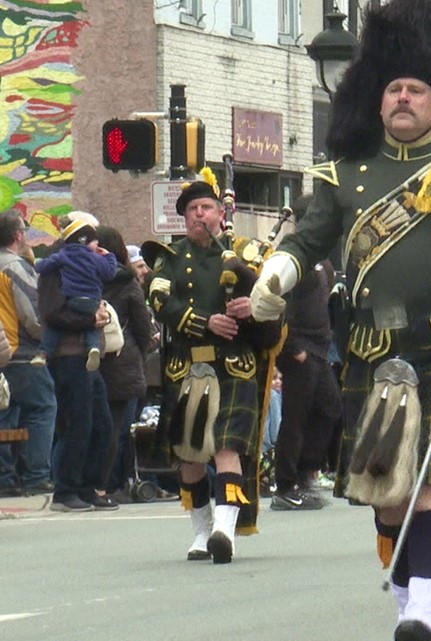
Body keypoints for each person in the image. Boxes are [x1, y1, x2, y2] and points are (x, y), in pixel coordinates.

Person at [248, 2, 431, 638]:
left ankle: (427, 618)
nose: (403, 98)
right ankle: (411, 604)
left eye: (417, 89)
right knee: (390, 496)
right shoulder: (344, 174)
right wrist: (276, 276)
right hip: (373, 350)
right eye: (394, 88)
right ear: (378, 100)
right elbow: (308, 240)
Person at [150, 173, 280, 563]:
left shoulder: (245, 253)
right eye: (191, 210)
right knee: (190, 453)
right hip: (186, 365)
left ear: (220, 213)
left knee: (227, 446)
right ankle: (202, 530)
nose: (198, 215)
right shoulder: (169, 258)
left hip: (233, 366)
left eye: (205, 207)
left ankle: (225, 529)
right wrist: (203, 322)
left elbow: (273, 305)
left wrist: (251, 308)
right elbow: (157, 299)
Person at [38, 211, 118, 512]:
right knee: (79, 422)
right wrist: (90, 319)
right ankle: (66, 490)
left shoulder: (84, 264)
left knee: (102, 424)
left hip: (88, 355)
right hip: (68, 354)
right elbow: (52, 312)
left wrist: (100, 313)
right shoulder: (57, 266)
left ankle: (89, 485)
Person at [270, 195, 342, 511]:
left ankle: (305, 472)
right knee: (295, 417)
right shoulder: (290, 253)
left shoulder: (322, 257)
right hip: (299, 346)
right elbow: (277, 302)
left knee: (329, 408)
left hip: (320, 346)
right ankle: (285, 485)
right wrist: (290, 347)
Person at [96, 226, 155, 500]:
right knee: (119, 429)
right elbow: (143, 328)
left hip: (94, 360)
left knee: (95, 425)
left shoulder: (87, 279)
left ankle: (94, 483)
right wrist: (144, 348)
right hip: (125, 363)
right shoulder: (127, 282)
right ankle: (113, 484)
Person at [0, 211, 56, 497]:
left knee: (5, 415)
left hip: (4, 355)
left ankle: (6, 478)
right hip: (21, 353)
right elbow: (34, 316)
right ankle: (37, 476)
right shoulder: (15, 267)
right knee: (42, 408)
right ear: (17, 235)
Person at [34, 217, 117, 371]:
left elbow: (42, 266)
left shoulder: (63, 255)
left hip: (72, 299)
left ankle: (43, 352)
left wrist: (37, 262)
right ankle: (93, 347)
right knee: (92, 323)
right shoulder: (95, 257)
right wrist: (109, 256)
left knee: (55, 329)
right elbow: (109, 273)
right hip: (92, 301)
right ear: (85, 241)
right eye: (95, 242)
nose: (98, 245)